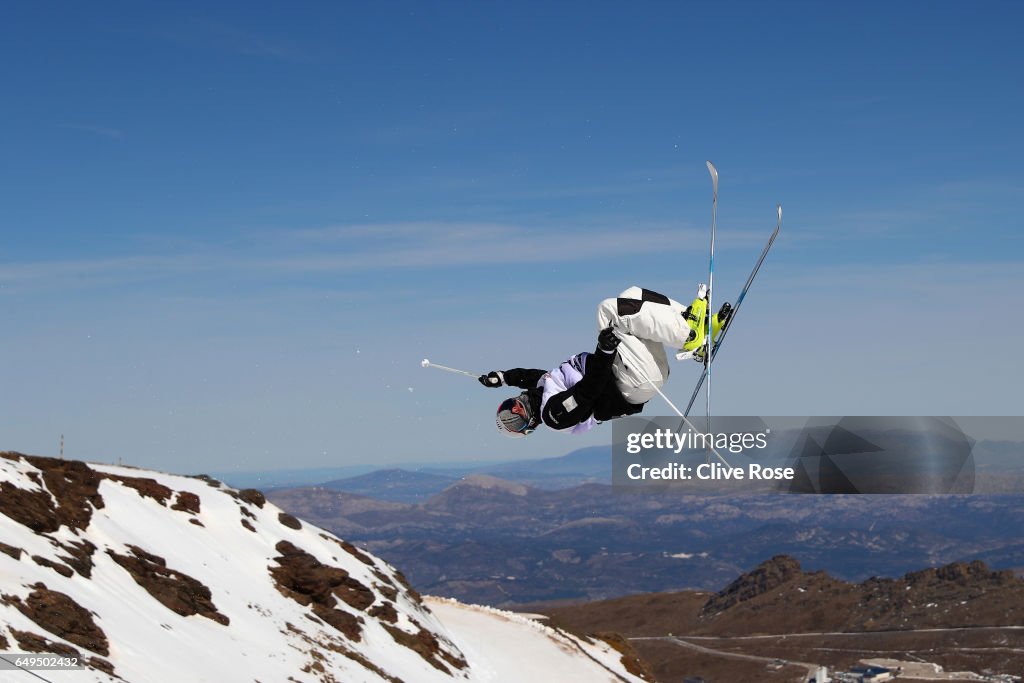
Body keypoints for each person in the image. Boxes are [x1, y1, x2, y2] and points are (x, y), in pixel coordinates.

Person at [479, 285, 731, 437]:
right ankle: (689, 336)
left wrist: (502, 377)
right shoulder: (554, 415)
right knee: (608, 310)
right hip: (631, 381)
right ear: (530, 425)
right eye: (514, 419)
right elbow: (589, 390)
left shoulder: (546, 387)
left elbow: (531, 375)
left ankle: (698, 327)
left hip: (633, 369)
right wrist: (604, 350)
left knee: (631, 296)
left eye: (507, 407)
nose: (515, 408)